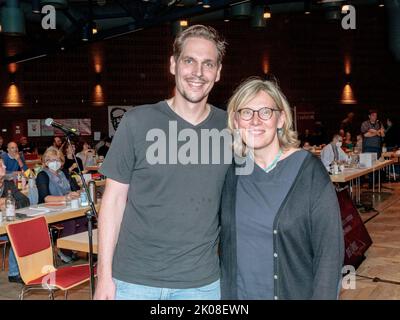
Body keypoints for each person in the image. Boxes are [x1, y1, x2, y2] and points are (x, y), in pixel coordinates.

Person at [94, 25, 229, 300]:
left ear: (218, 72)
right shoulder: (137, 122)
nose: (198, 72)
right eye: (189, 60)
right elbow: (114, 200)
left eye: (208, 64)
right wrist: (104, 275)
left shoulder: (232, 128)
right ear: (173, 64)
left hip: (200, 284)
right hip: (133, 281)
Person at [220, 78, 344, 300]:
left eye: (265, 112)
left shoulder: (308, 171)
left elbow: (330, 253)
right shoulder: (230, 173)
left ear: (281, 119)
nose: (255, 120)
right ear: (236, 122)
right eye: (246, 112)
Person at [36, 147, 83, 263]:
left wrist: (76, 193)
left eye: (57, 159)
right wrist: (66, 197)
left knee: (84, 219)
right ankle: (63, 250)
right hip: (50, 210)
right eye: (51, 160)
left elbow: (77, 189)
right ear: (46, 162)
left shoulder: (65, 173)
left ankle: (73, 247)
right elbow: (45, 198)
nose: (54, 163)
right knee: (70, 222)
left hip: (68, 208)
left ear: (62, 161)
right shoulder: (42, 175)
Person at [0, 157, 30, 283]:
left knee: (19, 232)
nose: (5, 167)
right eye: (1, 165)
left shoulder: (8, 184)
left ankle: (14, 273)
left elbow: (25, 200)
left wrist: (9, 203)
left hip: (5, 226)